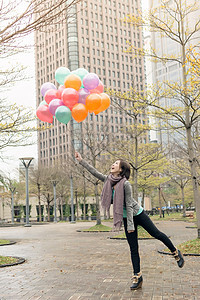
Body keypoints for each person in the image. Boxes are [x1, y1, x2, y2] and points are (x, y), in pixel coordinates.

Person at [75, 152, 184, 290]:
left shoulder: (126, 185)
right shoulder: (108, 180)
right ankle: (137, 276)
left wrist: (131, 225)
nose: (113, 164)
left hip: (137, 214)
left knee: (156, 234)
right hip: (126, 218)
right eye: (113, 163)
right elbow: (94, 172)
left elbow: (128, 204)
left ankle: (175, 252)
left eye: (116, 163)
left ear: (121, 169)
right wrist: (81, 160)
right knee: (133, 248)